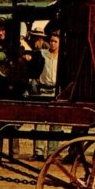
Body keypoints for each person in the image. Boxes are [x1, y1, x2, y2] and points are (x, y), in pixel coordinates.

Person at [34, 32, 61, 160]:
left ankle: (53, 153)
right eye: (51, 41)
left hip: (56, 91)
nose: (52, 43)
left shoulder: (62, 57)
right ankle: (39, 152)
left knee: (55, 123)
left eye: (55, 41)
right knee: (40, 122)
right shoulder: (42, 54)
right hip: (43, 90)